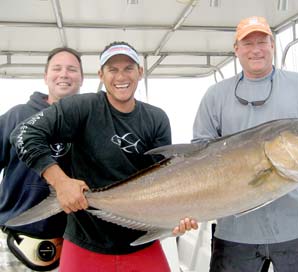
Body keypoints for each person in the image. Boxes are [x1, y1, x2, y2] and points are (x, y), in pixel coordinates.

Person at [8, 41, 198, 272]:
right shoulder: (81, 107)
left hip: (141, 244)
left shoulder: (156, 118)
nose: (121, 76)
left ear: (140, 72)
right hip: (84, 243)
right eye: (112, 69)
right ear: (100, 74)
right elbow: (24, 133)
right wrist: (61, 182)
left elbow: (164, 180)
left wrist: (175, 219)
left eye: (128, 68)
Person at [192, 16, 298, 272]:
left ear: (272, 44)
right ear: (236, 49)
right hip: (235, 233)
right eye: (247, 43)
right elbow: (199, 155)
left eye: (262, 41)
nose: (256, 49)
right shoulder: (215, 96)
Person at [0, 47, 84, 271]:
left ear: (82, 78)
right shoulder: (16, 116)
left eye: (72, 69)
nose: (64, 74)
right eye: (57, 69)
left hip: (71, 246)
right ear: (45, 76)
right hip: (13, 241)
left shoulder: (89, 123)